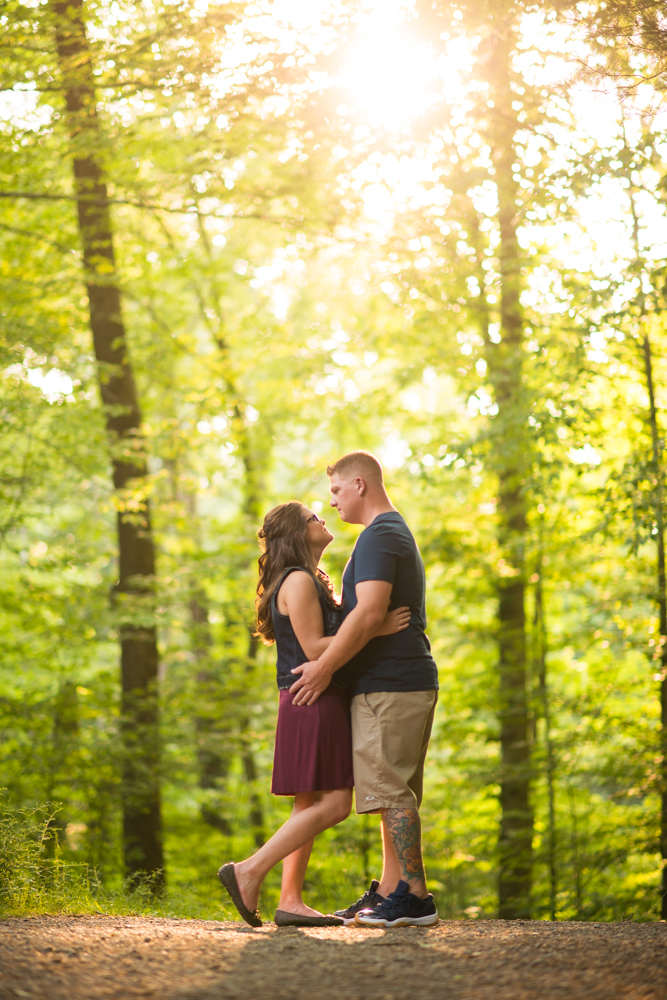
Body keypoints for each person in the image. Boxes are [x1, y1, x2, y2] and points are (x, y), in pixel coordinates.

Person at [218, 500, 410, 928]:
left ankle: (290, 901)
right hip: (312, 699)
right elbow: (316, 650)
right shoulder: (300, 581)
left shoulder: (307, 579)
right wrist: (373, 625)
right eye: (312, 518)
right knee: (338, 803)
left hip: (305, 698)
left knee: (305, 804)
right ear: (296, 533)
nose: (323, 519)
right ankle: (249, 870)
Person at [290, 452, 440, 928]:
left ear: (359, 484)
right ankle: (392, 889)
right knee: (390, 791)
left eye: (335, 491)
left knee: (391, 791)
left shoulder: (380, 536)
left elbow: (371, 612)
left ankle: (414, 896)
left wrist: (323, 668)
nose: (331, 501)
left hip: (391, 686)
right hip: (398, 683)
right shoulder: (386, 534)